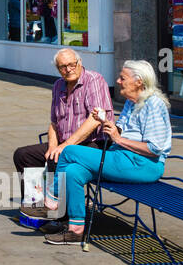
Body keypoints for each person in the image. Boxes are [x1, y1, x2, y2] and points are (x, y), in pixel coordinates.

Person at [45, 60, 173, 246]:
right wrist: (107, 124)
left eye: (123, 78)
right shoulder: (131, 102)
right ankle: (76, 231)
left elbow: (155, 148)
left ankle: (53, 197)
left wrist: (118, 139)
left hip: (143, 165)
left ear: (139, 81)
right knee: (72, 171)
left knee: (70, 151)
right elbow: (121, 133)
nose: (118, 81)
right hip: (122, 158)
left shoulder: (153, 105)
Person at [14, 48, 113, 231]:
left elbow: (95, 119)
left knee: (61, 157)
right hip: (65, 143)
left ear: (79, 63)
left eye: (71, 65)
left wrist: (64, 146)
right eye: (62, 67)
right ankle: (35, 206)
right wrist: (53, 146)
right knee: (23, 155)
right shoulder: (58, 85)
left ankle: (60, 216)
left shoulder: (94, 80)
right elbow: (53, 122)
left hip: (94, 144)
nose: (68, 69)